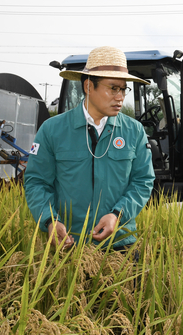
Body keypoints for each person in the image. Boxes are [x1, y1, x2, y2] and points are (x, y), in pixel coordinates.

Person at [24, 46, 155, 252]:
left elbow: (143, 181)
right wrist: (50, 220)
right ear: (88, 86)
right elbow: (36, 182)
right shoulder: (52, 130)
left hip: (120, 243)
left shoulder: (134, 131)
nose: (120, 97)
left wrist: (117, 215)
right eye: (113, 88)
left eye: (123, 89)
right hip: (69, 243)